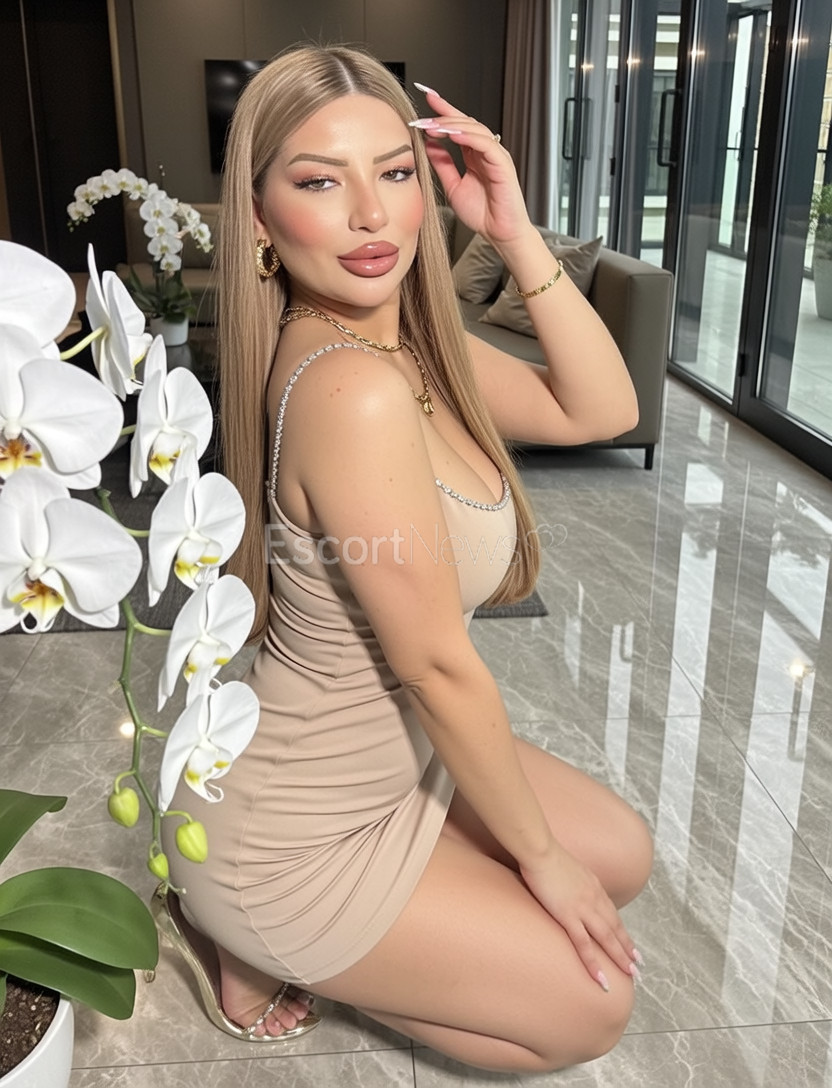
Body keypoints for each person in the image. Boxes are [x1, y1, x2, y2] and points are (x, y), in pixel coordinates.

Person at [157, 42, 653, 1074]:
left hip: (403, 765)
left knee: (623, 856)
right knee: (591, 1009)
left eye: (393, 172)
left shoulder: (413, 350)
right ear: (258, 218)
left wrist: (513, 232)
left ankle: (327, 928)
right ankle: (244, 935)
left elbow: (604, 409)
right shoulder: (352, 390)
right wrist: (540, 863)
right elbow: (434, 664)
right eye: (317, 182)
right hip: (291, 835)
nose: (370, 214)